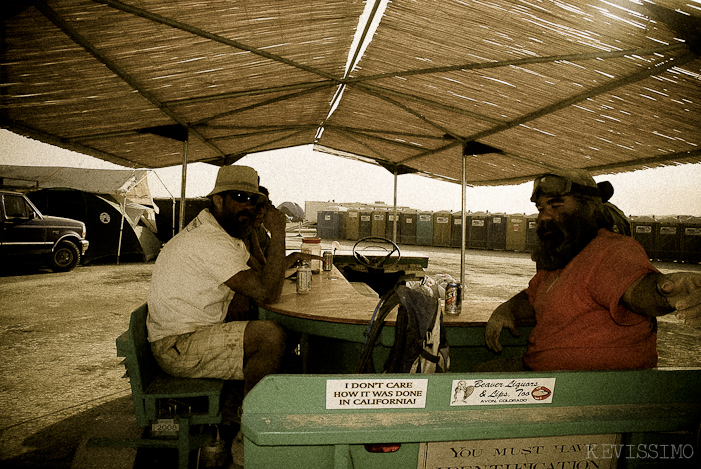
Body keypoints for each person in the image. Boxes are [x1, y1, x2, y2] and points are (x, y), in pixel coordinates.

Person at [146, 165, 320, 466]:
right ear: (217, 200)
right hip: (178, 345)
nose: (248, 206)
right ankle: (246, 435)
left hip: (187, 333)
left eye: (254, 201)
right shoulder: (210, 240)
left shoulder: (222, 233)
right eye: (239, 197)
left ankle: (240, 416)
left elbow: (261, 278)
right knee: (271, 337)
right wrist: (278, 234)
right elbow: (267, 292)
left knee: (278, 339)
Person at [483, 168, 701, 371]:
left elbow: (637, 290)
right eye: (541, 208)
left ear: (588, 208)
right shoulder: (560, 259)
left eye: (556, 206)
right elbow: (532, 298)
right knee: (481, 371)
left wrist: (667, 292)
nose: (544, 216)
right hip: (547, 376)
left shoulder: (612, 250)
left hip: (590, 388)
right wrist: (505, 310)